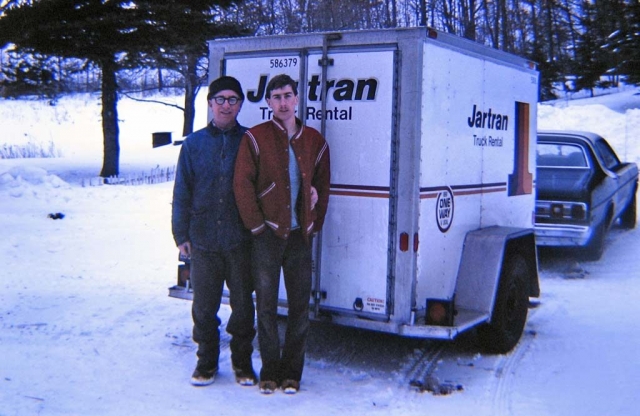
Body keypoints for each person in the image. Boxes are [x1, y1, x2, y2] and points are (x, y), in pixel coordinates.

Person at [233, 74, 331, 395]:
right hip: (267, 236)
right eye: (276, 97)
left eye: (288, 95)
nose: (283, 102)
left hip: (299, 238)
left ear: (298, 98)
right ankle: (269, 373)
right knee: (266, 306)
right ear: (268, 103)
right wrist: (257, 226)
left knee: (300, 307)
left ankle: (292, 374)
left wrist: (313, 219)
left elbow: (323, 187)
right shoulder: (255, 137)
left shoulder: (314, 140)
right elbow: (242, 185)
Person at [171, 76, 257, 387]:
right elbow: (182, 191)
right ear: (209, 103)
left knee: (243, 308)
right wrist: (181, 235)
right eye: (220, 99)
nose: (226, 105)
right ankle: (206, 363)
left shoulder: (250, 140)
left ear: (240, 105)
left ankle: (242, 363)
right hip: (204, 239)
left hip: (240, 241)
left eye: (232, 100)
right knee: (204, 308)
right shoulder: (194, 144)